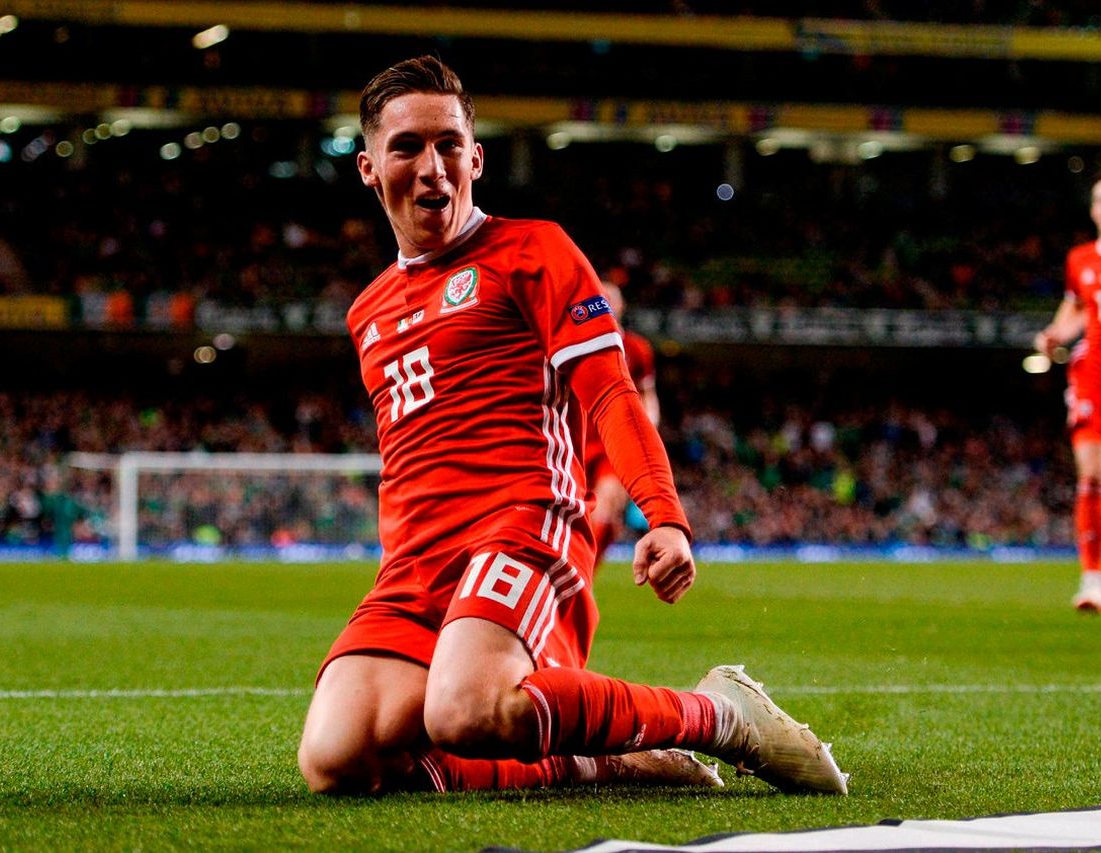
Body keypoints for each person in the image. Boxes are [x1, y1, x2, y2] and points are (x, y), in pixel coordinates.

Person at [296, 56, 847, 797]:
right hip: (416, 562)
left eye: (449, 145)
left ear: (476, 158)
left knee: (463, 709)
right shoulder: (367, 311)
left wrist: (664, 515)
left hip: (521, 523)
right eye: (408, 147)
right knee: (338, 758)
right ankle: (613, 760)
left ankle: (717, 713)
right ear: (368, 167)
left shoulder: (533, 251)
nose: (433, 167)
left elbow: (611, 394)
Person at [1035, 169, 1101, 615]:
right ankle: (1093, 582)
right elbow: (1077, 305)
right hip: (1098, 378)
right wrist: (1056, 333)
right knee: (1092, 478)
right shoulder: (1081, 259)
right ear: (1093, 210)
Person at [581, 281, 660, 568]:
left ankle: (582, 577)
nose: (607, 304)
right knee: (592, 516)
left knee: (607, 505)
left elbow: (648, 394)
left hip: (613, 442)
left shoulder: (637, 349)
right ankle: (576, 569)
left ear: (621, 306)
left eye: (611, 299)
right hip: (575, 441)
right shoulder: (576, 343)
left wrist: (647, 427)